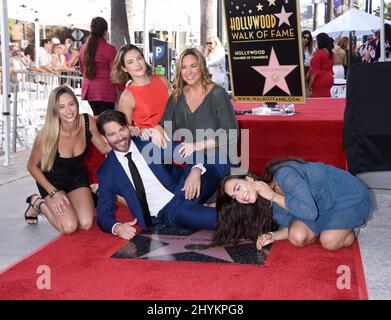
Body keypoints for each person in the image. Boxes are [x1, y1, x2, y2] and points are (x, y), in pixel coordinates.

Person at [95, 110, 231, 239]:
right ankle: (240, 215)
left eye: (122, 130)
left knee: (220, 160)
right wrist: (117, 227)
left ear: (128, 127)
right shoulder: (107, 172)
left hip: (184, 187)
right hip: (168, 210)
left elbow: (185, 151)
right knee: (212, 218)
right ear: (104, 138)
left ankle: (244, 187)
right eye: (112, 134)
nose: (120, 138)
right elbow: (103, 214)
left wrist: (195, 170)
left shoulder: (148, 142)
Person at [213, 158, 372, 252]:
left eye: (238, 188)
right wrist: (272, 236)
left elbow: (308, 212)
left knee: (329, 242)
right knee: (297, 236)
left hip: (344, 195)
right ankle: (333, 225)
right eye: (235, 197)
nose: (240, 197)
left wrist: (273, 196)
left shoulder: (283, 175)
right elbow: (289, 225)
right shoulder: (267, 202)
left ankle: (351, 225)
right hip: (317, 207)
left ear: (248, 179)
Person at [25, 86, 111, 234]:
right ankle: (38, 204)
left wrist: (128, 134)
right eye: (61, 107)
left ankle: (68, 202)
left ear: (76, 104)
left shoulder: (86, 122)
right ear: (55, 111)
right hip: (52, 181)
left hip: (77, 177)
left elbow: (104, 148)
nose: (69, 111)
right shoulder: (47, 134)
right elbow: (32, 166)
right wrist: (54, 193)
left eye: (71, 104)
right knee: (69, 226)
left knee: (86, 223)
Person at [154, 48, 238, 162]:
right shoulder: (176, 97)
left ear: (202, 67)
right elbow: (164, 126)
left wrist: (195, 146)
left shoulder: (218, 94)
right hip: (192, 161)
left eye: (193, 66)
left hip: (219, 161)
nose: (188, 72)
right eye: (184, 67)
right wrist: (157, 128)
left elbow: (231, 134)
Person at [111, 44, 171, 131]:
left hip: (176, 134)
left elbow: (176, 108)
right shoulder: (127, 97)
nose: (137, 64)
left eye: (139, 58)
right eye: (130, 62)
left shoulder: (162, 80)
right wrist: (142, 132)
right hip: (150, 141)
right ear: (124, 68)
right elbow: (126, 130)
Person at [79, 17, 118, 115]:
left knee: (97, 118)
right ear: (105, 31)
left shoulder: (83, 48)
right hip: (105, 91)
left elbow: (82, 70)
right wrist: (125, 87)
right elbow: (115, 73)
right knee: (107, 122)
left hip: (89, 90)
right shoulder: (110, 49)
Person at [308, 33, 334, 97]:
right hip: (329, 78)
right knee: (326, 96)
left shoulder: (319, 53)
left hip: (320, 79)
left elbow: (315, 71)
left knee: (317, 99)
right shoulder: (330, 52)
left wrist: (309, 85)